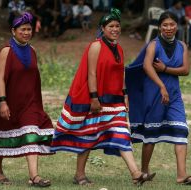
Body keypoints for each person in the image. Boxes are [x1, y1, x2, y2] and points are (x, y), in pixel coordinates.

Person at [51, 8, 152, 186]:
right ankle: (79, 175)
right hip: (97, 98)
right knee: (88, 135)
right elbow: (91, 74)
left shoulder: (119, 48)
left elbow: (121, 74)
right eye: (111, 26)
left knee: (122, 134)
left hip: (115, 100)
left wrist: (125, 94)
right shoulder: (96, 45)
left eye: (117, 26)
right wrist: (94, 98)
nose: (115, 29)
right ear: (103, 28)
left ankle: (136, 173)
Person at [0, 12, 54, 187]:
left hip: (29, 103)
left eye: (29, 29)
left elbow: (33, 78)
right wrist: (2, 101)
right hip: (8, 100)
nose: (26, 32)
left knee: (32, 134)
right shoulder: (6, 51)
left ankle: (34, 176)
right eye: (23, 29)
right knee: (1, 130)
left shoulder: (32, 51)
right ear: (13, 31)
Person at [125, 11, 191, 185]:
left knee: (181, 130)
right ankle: (144, 171)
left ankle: (182, 176)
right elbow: (146, 66)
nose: (168, 28)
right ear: (159, 27)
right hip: (155, 93)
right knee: (151, 134)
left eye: (172, 24)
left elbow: (185, 70)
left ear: (177, 26)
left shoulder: (182, 45)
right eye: (165, 25)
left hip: (174, 95)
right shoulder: (153, 44)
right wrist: (161, 86)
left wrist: (166, 69)